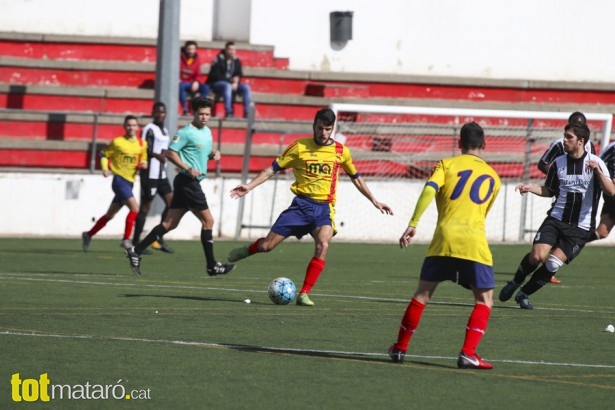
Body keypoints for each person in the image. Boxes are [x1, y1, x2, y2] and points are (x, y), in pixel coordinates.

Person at [227, 107, 393, 306]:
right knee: (267, 246)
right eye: (320, 128)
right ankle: (250, 249)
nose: (323, 133)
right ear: (313, 126)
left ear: (333, 129)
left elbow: (356, 178)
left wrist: (374, 200)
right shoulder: (299, 147)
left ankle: (304, 293)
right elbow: (272, 169)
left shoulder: (341, 151)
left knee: (323, 243)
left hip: (324, 209)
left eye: (328, 129)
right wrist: (249, 186)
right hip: (300, 206)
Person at [387, 122, 501, 369]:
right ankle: (468, 353)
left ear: (459, 144)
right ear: (485, 144)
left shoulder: (446, 164)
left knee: (422, 295)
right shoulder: (494, 177)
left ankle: (400, 348)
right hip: (474, 242)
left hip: (443, 239)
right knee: (484, 300)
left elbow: (429, 190)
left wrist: (413, 223)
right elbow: (482, 213)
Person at [499, 123, 615, 309]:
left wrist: (598, 172)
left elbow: (611, 191)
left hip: (580, 227)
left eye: (569, 137)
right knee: (537, 256)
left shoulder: (596, 163)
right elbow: (549, 190)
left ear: (581, 141)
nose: (564, 140)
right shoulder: (559, 163)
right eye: (564, 136)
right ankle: (515, 282)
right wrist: (530, 188)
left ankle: (524, 294)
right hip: (556, 219)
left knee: (553, 265)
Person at [125, 97, 235, 277]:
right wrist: (187, 168)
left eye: (208, 114)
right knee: (208, 221)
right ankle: (212, 266)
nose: (205, 117)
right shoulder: (185, 132)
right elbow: (170, 152)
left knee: (170, 224)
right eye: (201, 114)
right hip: (187, 183)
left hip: (189, 183)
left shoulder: (207, 131)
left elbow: (198, 153)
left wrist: (211, 155)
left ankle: (136, 250)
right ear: (194, 113)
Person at [536, 111, 594, 284]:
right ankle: (545, 265)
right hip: (563, 194)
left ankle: (551, 262)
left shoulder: (589, 146)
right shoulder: (559, 144)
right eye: (575, 123)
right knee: (557, 224)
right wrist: (557, 179)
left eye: (581, 124)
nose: (579, 126)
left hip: (581, 201)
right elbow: (542, 163)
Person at [82, 115, 148, 252]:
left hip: (130, 182)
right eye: (129, 125)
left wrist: (144, 164)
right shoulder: (117, 142)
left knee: (110, 215)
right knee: (135, 209)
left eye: (134, 125)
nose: (131, 127)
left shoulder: (142, 144)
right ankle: (126, 239)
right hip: (119, 180)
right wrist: (105, 168)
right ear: (124, 127)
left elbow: (144, 159)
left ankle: (88, 234)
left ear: (137, 127)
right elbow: (104, 155)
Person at [132, 101, 175, 255]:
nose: (160, 114)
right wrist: (157, 155)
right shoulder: (149, 129)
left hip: (161, 175)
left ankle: (158, 239)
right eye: (157, 111)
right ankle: (135, 242)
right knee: (145, 207)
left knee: (172, 204)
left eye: (163, 112)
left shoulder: (164, 130)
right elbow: (143, 149)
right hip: (149, 174)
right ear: (153, 112)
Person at [206, 41, 252, 118]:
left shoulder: (236, 60)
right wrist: (231, 82)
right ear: (225, 49)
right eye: (230, 49)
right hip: (217, 84)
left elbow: (239, 73)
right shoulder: (218, 59)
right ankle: (229, 111)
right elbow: (215, 76)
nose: (232, 52)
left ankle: (247, 112)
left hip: (232, 84)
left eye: (234, 50)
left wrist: (237, 79)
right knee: (227, 86)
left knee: (246, 87)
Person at [179, 41, 210, 116]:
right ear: (185, 49)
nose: (191, 51)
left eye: (193, 49)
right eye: (189, 49)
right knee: (180, 86)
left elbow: (198, 73)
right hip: (182, 82)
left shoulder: (197, 59)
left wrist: (196, 81)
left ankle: (198, 109)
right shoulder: (179, 57)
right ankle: (185, 109)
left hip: (192, 82)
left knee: (206, 87)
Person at [595, 140, 615, 240]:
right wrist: (608, 179)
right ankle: (565, 244)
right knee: (602, 232)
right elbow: (597, 163)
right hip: (613, 193)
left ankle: (565, 242)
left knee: (602, 232)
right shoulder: (613, 147)